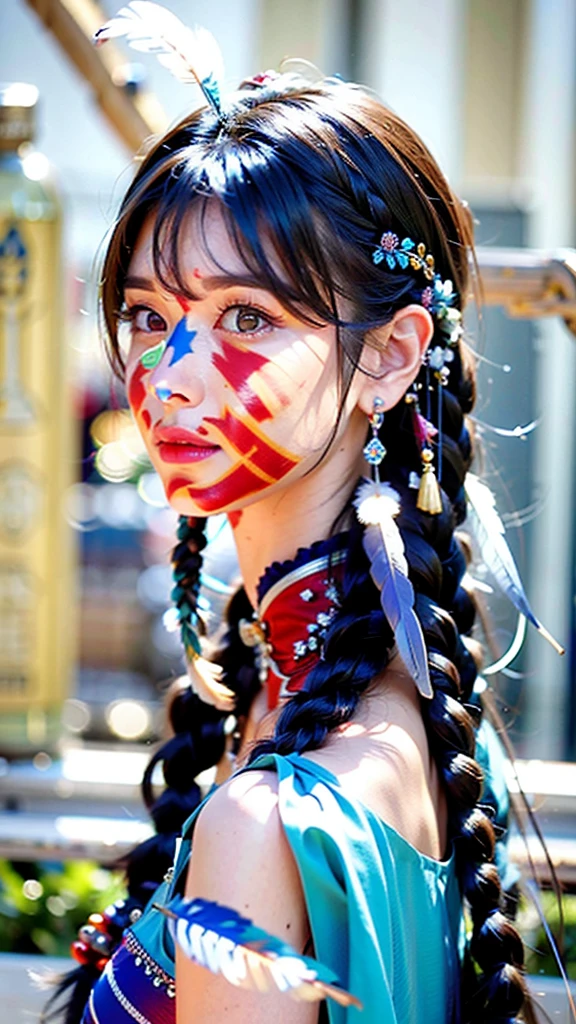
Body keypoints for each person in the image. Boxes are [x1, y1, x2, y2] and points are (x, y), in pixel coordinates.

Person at [51, 38, 533, 1024]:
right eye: (147, 313)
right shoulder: (396, 704)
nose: (171, 371)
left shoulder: (265, 819)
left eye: (245, 318)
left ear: (390, 357)